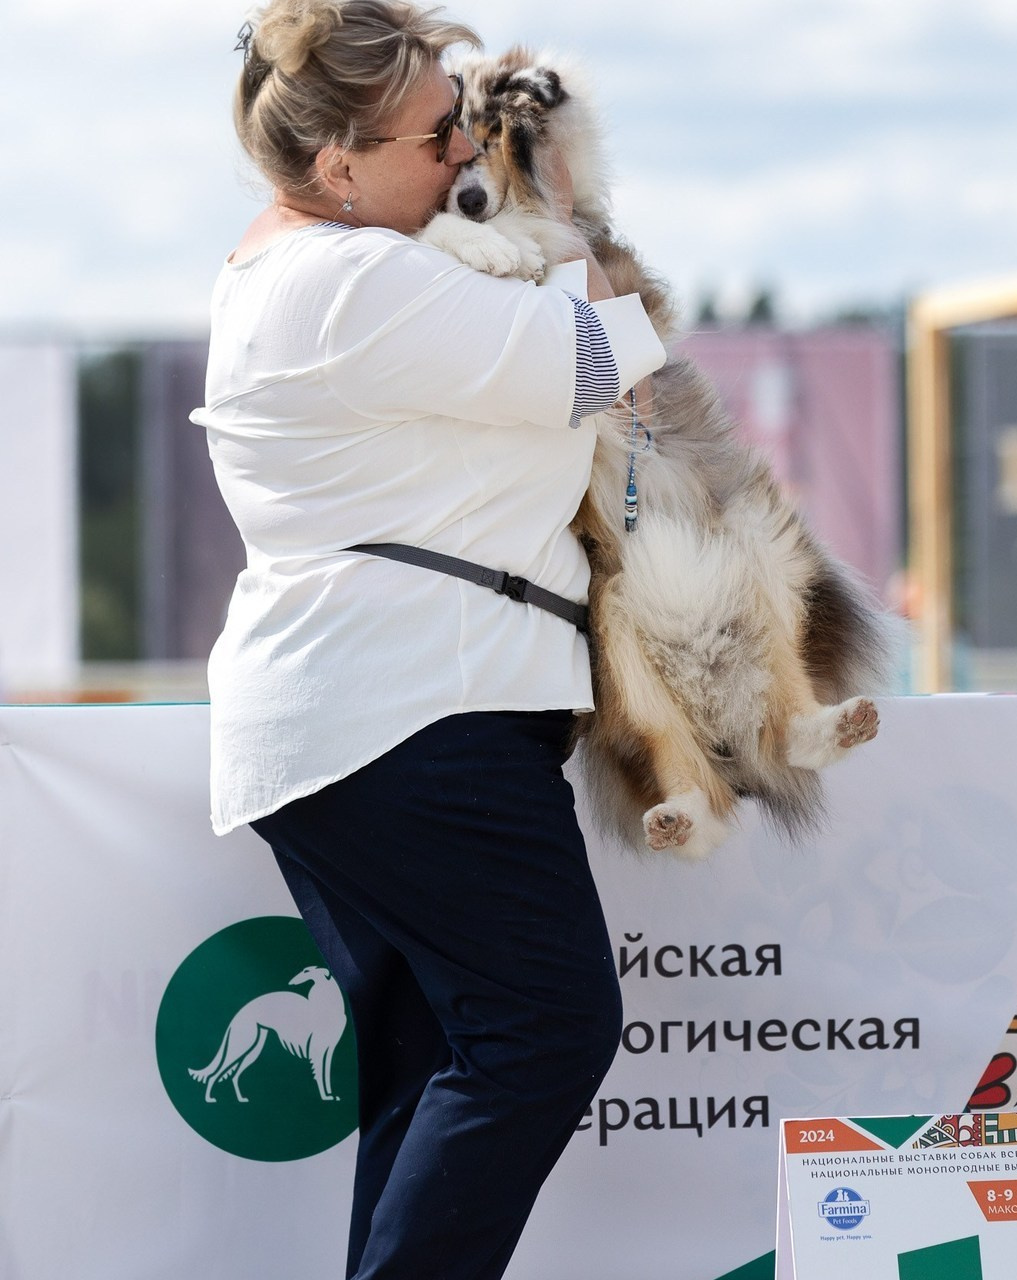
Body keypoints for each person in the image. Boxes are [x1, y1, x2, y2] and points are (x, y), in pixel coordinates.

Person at [189, 2, 666, 1277]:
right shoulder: (353, 279)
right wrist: (574, 217)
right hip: (410, 717)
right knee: (545, 1029)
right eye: (436, 131)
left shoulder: (306, 268)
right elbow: (604, 353)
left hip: (368, 715)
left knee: (427, 1072)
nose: (465, 150)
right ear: (336, 165)